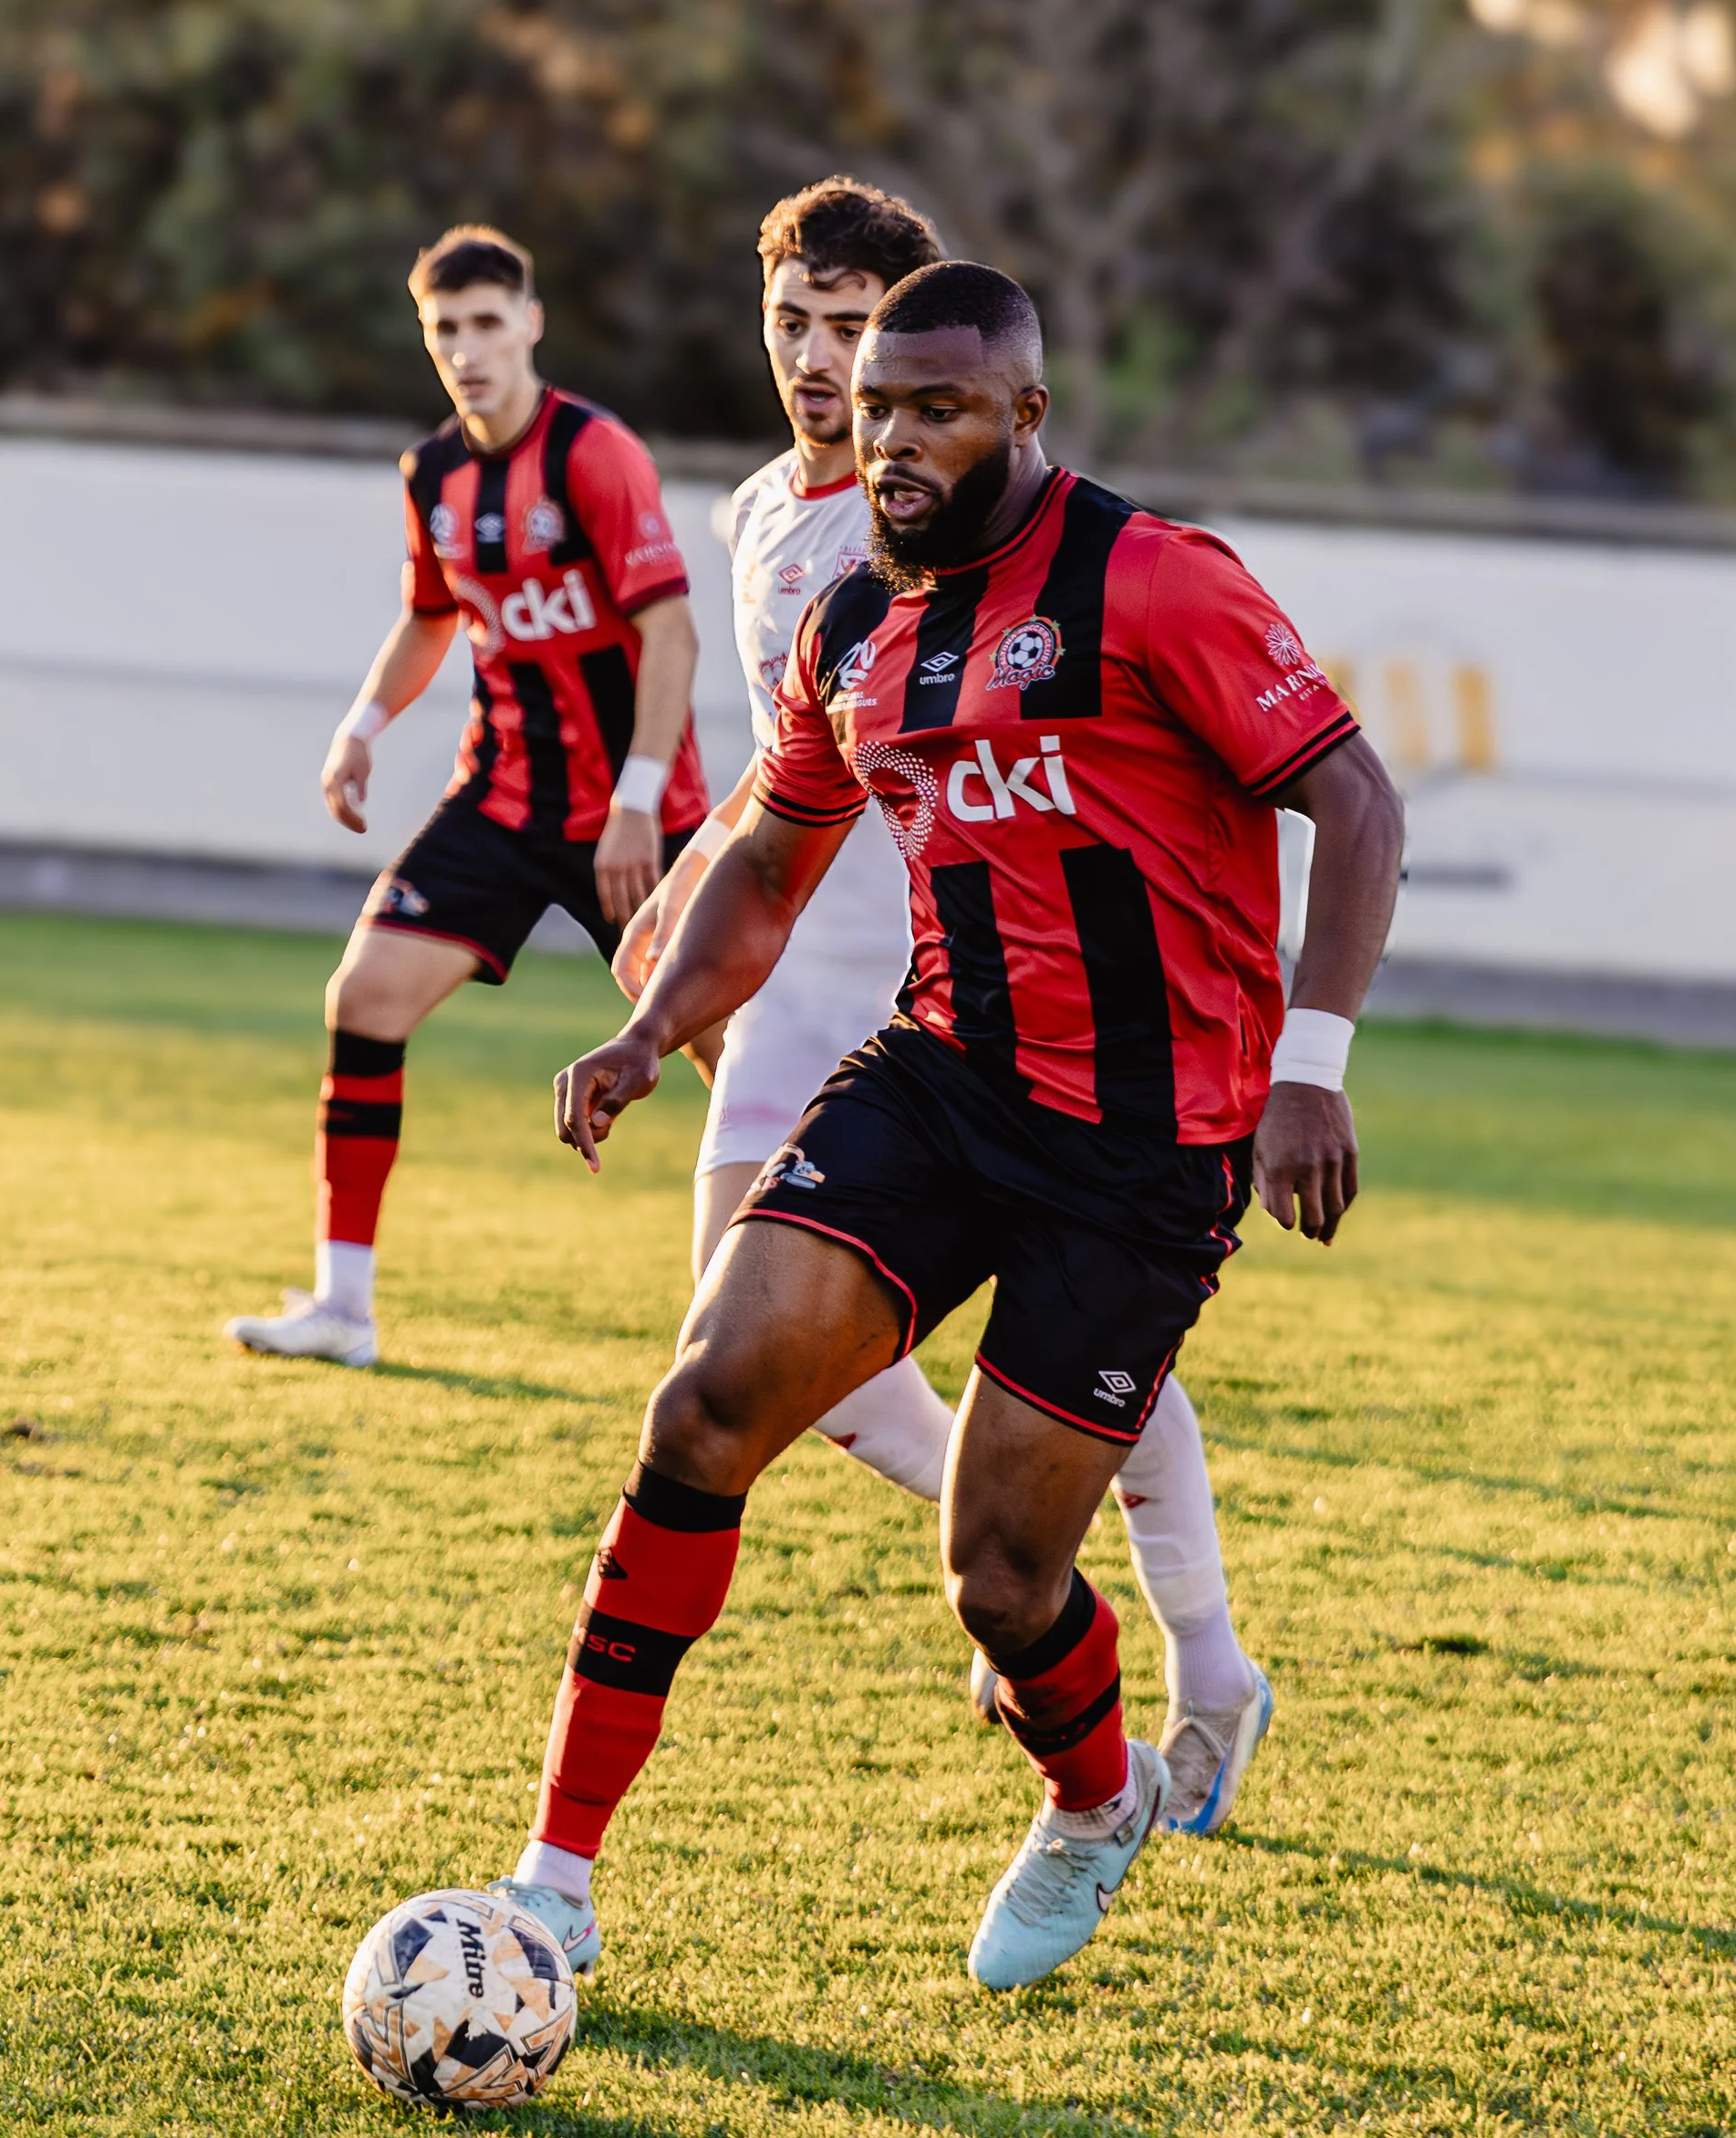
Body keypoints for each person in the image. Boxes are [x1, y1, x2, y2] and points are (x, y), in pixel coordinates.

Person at [481, 261, 1406, 1991]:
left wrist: (1311, 1059)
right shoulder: (854, 621)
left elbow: (1352, 793)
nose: (892, 434)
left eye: (937, 408)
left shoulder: (1155, 581)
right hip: (942, 1077)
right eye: (880, 404)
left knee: (995, 1573)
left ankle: (1091, 1791)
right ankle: (551, 1882)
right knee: (703, 1405)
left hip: (1149, 1142)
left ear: (1024, 415)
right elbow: (767, 859)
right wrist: (649, 1026)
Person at [617, 177, 1272, 1836]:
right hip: (801, 970)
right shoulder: (767, 509)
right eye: (795, 325)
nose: (823, 361)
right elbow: (794, 765)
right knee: (754, 1354)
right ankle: (1034, 1568)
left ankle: (1192, 1646)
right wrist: (689, 888)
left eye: (855, 329)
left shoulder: (940, 520)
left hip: (949, 978)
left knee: (1042, 1337)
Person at [227, 224, 708, 1370]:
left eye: (488, 322)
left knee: (735, 1058)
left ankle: (818, 1313)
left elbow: (670, 632)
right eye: (445, 328)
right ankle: (344, 1308)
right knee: (365, 999)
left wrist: (639, 799)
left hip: (630, 818)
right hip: (498, 800)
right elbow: (432, 614)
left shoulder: (595, 455)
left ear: (530, 324)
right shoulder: (432, 474)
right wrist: (360, 728)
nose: (466, 348)